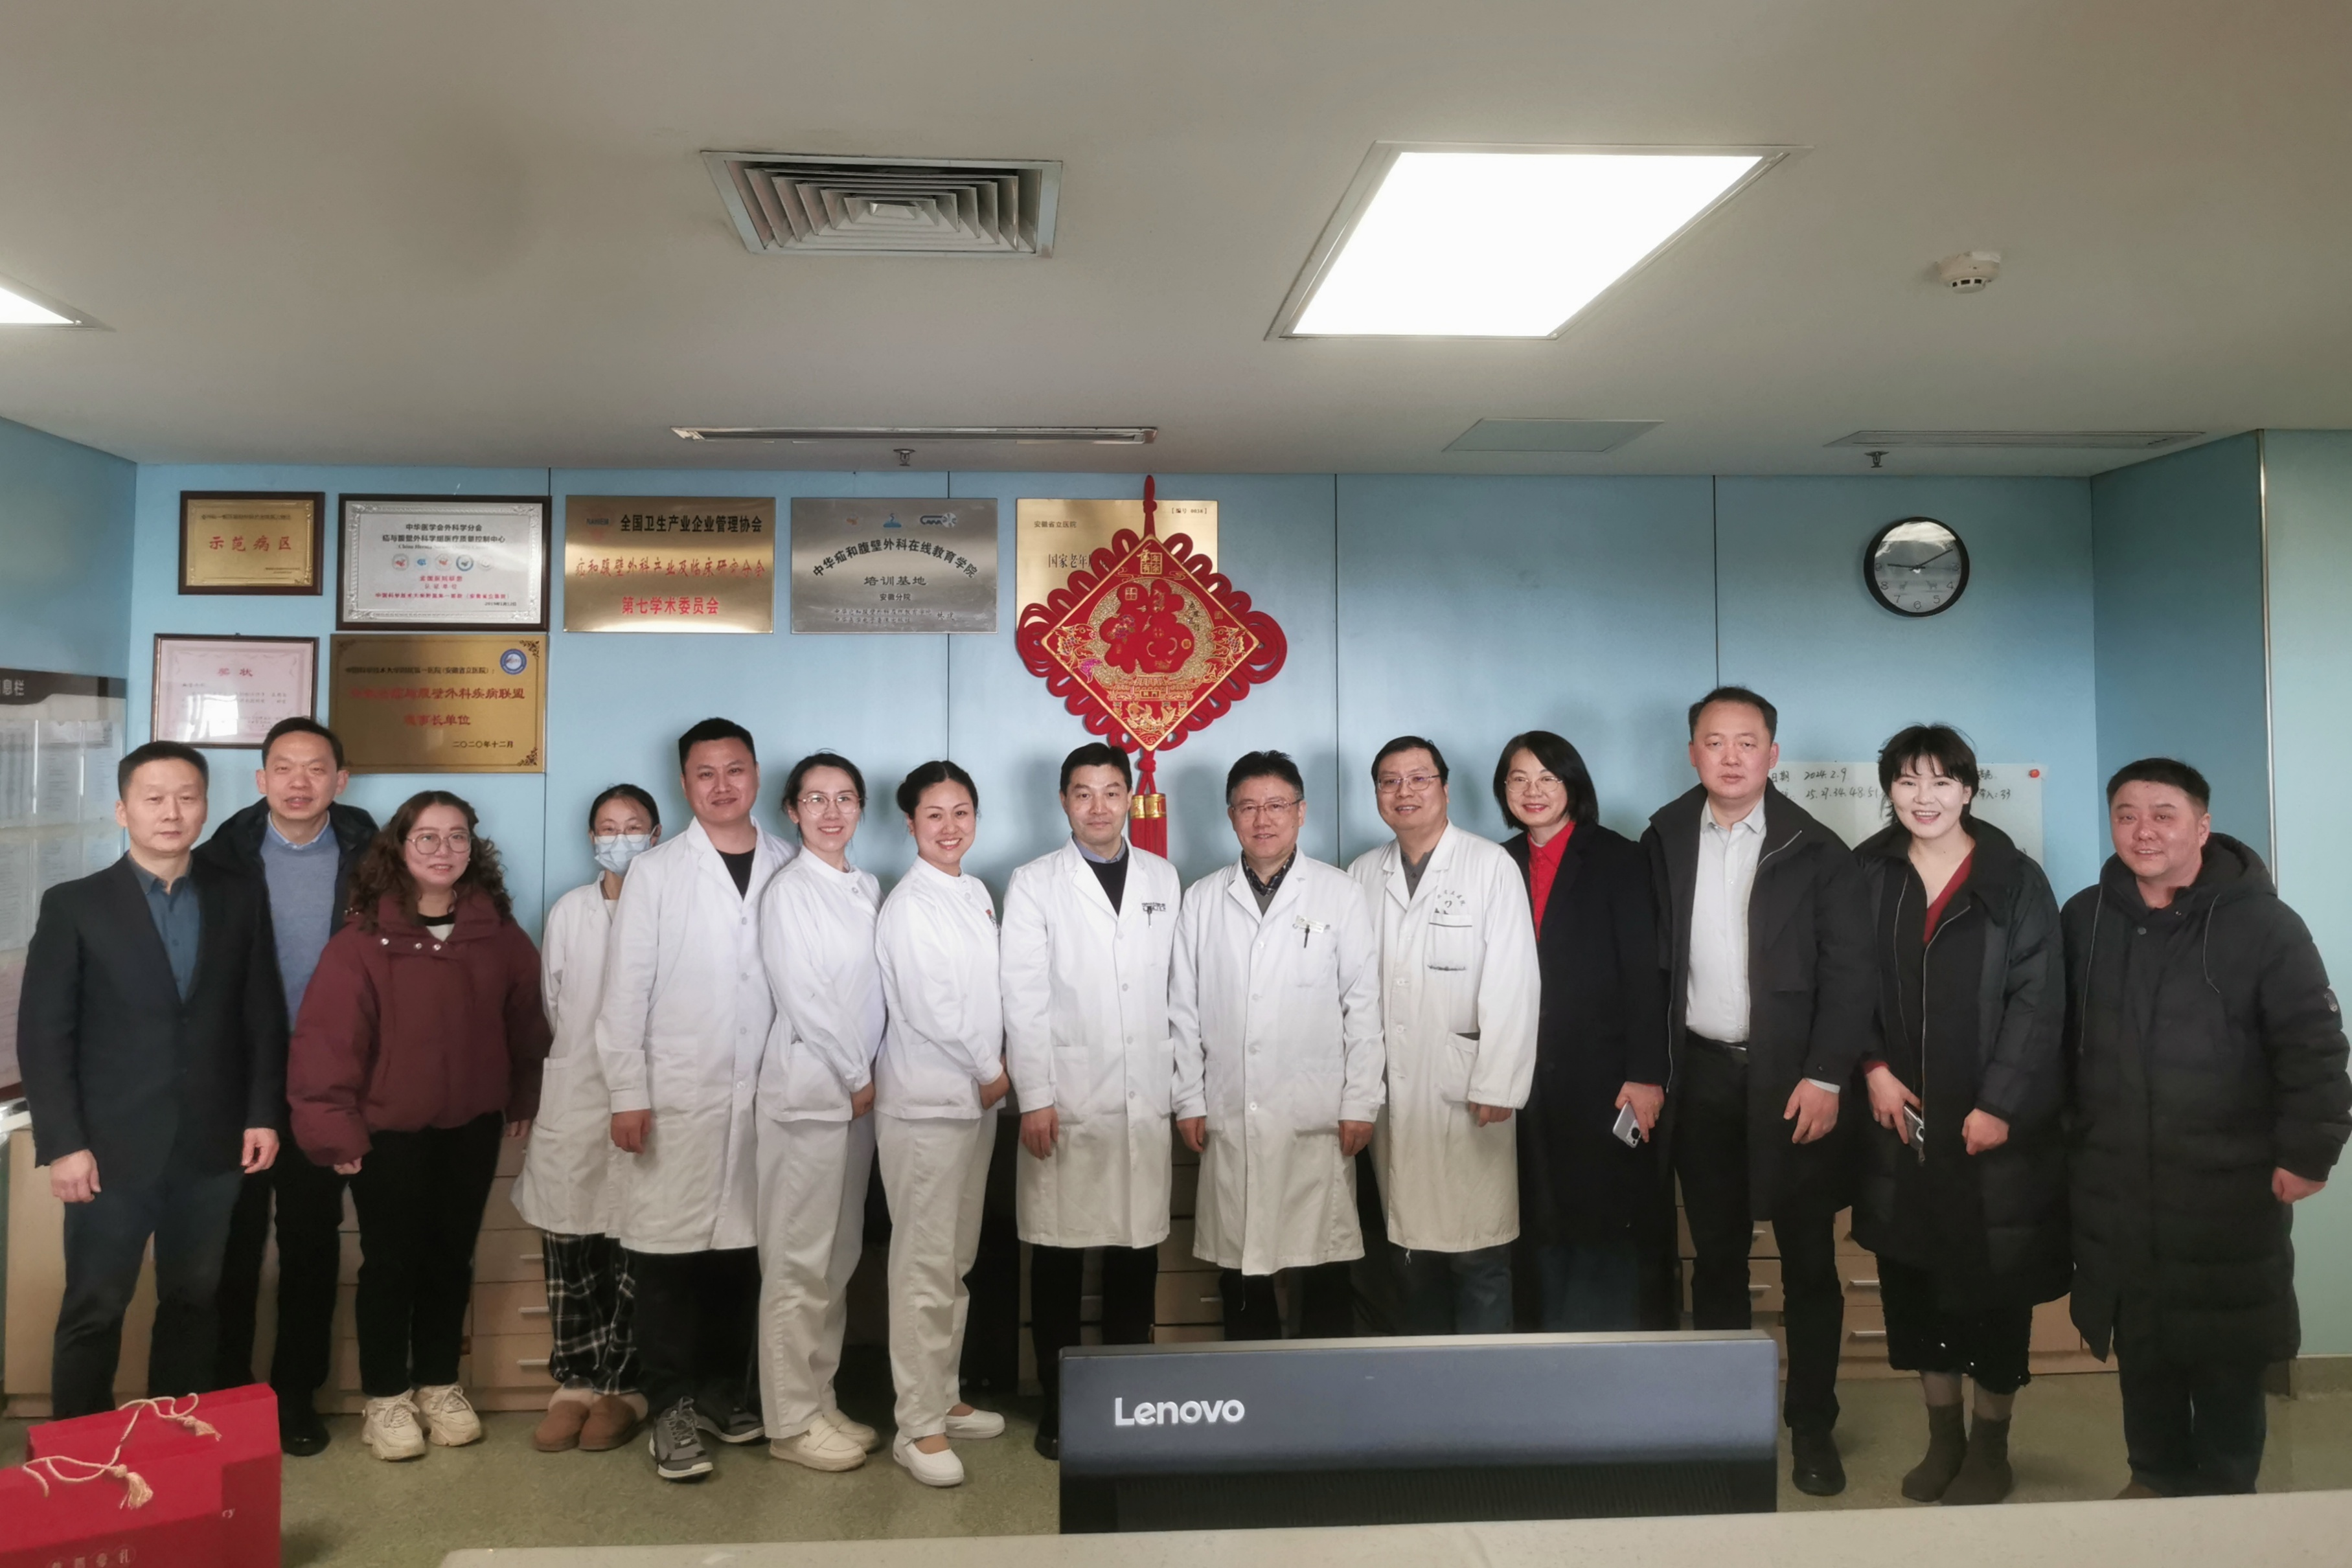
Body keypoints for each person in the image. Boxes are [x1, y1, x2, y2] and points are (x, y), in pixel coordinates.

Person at [2064, 758, 2351, 1498]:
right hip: (2117, 1180)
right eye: (2126, 814)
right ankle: (2153, 1478)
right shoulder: (2085, 918)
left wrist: (2308, 1152)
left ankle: (2226, 1498)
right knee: (2142, 1343)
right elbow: (2056, 1042)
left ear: (2202, 825)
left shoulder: (2264, 924)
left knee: (2227, 1350)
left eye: (2163, 814)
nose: (2144, 830)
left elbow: (2314, 1047)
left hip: (2227, 1184)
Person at [1643, 687, 1873, 1497]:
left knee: (1809, 1261)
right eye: (1715, 741)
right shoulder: (1664, 837)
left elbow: (1851, 974)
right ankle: (1723, 1424)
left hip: (1794, 1079)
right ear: (1693, 754)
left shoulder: (1818, 848)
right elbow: (1651, 965)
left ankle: (1811, 1424)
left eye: (1747, 742)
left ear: (1773, 755)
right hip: (1701, 1075)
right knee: (1717, 1259)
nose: (1731, 756)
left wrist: (1826, 1074)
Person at [18, 742, 282, 1419]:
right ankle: (79, 1456)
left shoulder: (239, 896)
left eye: (187, 797)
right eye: (154, 798)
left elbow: (261, 1014)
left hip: (212, 1145)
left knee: (193, 1302)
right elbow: (44, 1036)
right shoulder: (75, 904)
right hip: (108, 1151)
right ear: (123, 810)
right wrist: (63, 1144)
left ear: (205, 807)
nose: (172, 812)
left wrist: (261, 1113)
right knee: (95, 1307)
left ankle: (174, 1454)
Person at [288, 790, 549, 1462]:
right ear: (399, 849)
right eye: (427, 837)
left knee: (449, 1258)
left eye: (457, 836)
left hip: (471, 1126)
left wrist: (523, 1095)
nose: (443, 850)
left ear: (474, 849)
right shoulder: (361, 943)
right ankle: (386, 1397)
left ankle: (439, 1383)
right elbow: (327, 1043)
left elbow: (526, 1027)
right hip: (388, 1133)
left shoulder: (500, 935)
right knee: (391, 1262)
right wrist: (334, 1131)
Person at [1851, 726, 2068, 1506]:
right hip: (1899, 1125)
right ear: (1889, 790)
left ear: (1969, 790)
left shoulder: (2014, 879)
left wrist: (1999, 1103)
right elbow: (1844, 982)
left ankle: (1990, 1446)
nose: (1925, 797)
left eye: (1942, 781)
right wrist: (1872, 1070)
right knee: (1914, 1285)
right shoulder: (1866, 872)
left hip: (1990, 1132)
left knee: (1992, 1290)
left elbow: (2038, 1001)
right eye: (1908, 781)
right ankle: (1941, 1438)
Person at [597, 718, 795, 1482]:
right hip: (675, 1092)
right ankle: (671, 1407)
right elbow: (626, 990)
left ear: (756, 774)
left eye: (734, 769)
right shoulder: (656, 873)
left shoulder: (789, 862)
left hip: (765, 1095)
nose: (721, 785)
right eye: (705, 773)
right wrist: (627, 1092)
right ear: (684, 784)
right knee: (667, 1258)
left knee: (742, 1254)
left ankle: (721, 1395)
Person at [199, 716, 378, 1455]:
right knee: (232, 1245)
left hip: (326, 1079)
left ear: (341, 780)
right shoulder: (221, 856)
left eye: (315, 768)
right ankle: (229, 1396)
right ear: (261, 779)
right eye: (283, 767)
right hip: (240, 1077)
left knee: (310, 1242)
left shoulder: (372, 856)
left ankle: (296, 1396)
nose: (299, 782)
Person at [1001, 742, 1182, 1459]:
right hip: (1066, 1097)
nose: (1098, 806)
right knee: (1059, 1257)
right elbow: (1022, 997)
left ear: (1130, 797)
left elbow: (1175, 991)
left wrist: (1182, 1090)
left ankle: (1124, 1402)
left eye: (1111, 791)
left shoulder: (1162, 877)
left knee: (1136, 1254)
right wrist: (1036, 1096)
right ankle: (1062, 1406)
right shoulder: (1033, 883)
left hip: (1144, 1095)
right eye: (1083, 792)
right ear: (1063, 801)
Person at [1172, 750, 1383, 1341]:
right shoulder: (1202, 899)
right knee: (1243, 1264)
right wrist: (1188, 1098)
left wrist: (1360, 1101)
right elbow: (1182, 1010)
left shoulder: (1338, 894)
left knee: (1322, 1260)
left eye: (1275, 805)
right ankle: (1250, 1385)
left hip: (1315, 1109)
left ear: (1301, 811)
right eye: (1248, 807)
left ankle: (1324, 1387)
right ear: (1230, 815)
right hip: (1231, 1106)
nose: (1262, 819)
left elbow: (1362, 1005)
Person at [1346, 737, 1538, 1334]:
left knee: (1479, 1254)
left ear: (1445, 788)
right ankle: (1425, 1381)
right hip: (1393, 1089)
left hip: (1468, 1086)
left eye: (1418, 778)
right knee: (1411, 1256)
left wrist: (1499, 1082)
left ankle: (1484, 1388)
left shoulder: (1489, 865)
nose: (1404, 791)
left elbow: (1513, 980)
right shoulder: (1362, 874)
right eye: (1389, 781)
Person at [1494, 730, 1669, 1331]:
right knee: (1532, 1215)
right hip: (1521, 1075)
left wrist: (1645, 1074)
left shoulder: (1618, 857)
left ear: (1573, 784)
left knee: (1601, 1217)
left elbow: (1644, 973)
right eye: (1519, 778)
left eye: (1548, 777)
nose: (1533, 790)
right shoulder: (1498, 861)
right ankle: (1537, 1349)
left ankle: (1606, 1354)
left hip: (1604, 1077)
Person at [873, 760, 1014, 1488]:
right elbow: (933, 1007)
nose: (950, 826)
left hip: (972, 1106)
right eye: (934, 814)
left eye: (962, 812)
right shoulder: (909, 906)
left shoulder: (975, 892)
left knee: (953, 1259)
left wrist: (993, 1074)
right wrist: (991, 1068)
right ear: (910, 824)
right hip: (927, 1105)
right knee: (923, 1266)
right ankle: (916, 1426)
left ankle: (944, 1395)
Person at [512, 784, 660, 1455]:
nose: (619, 837)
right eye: (607, 826)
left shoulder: (671, 906)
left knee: (635, 1246)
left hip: (647, 1097)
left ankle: (623, 1386)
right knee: (569, 1242)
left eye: (633, 826)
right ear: (591, 837)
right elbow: (552, 1002)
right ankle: (573, 1381)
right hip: (575, 1092)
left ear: (656, 836)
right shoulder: (570, 910)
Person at [753, 753, 886, 1475]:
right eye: (815, 799)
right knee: (796, 1263)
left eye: (844, 798)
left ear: (860, 807)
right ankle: (789, 1421)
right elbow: (805, 997)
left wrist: (866, 1081)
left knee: (836, 1261)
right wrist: (858, 1074)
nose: (831, 812)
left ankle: (819, 1398)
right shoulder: (789, 891)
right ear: (791, 810)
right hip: (810, 1096)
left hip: (856, 1103)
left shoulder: (865, 885)